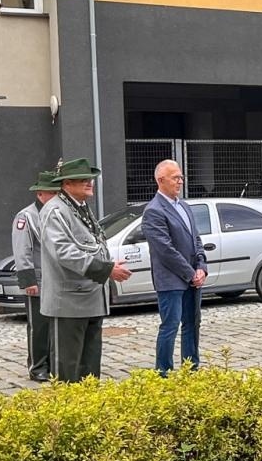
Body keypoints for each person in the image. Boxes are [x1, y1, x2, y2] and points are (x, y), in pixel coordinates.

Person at [40, 157, 131, 382]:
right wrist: (106, 269)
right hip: (69, 301)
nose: (89, 183)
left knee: (90, 365)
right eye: (82, 179)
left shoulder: (81, 207)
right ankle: (68, 413)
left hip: (91, 297)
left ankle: (89, 410)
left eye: (90, 179)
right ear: (66, 184)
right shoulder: (55, 211)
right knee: (67, 368)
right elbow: (64, 253)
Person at [142, 159, 207, 374]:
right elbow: (165, 250)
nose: (180, 181)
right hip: (171, 280)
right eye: (175, 177)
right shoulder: (153, 211)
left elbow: (196, 239)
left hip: (192, 278)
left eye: (181, 177)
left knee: (192, 324)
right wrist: (190, 273)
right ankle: (163, 372)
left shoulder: (185, 206)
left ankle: (191, 368)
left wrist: (201, 267)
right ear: (160, 180)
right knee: (170, 326)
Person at [11, 169, 59, 381]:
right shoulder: (27, 216)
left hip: (56, 280)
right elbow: (22, 250)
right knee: (39, 327)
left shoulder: (56, 213)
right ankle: (37, 366)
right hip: (39, 280)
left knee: (55, 325)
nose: (57, 196)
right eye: (53, 192)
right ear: (40, 194)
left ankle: (53, 363)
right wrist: (28, 281)